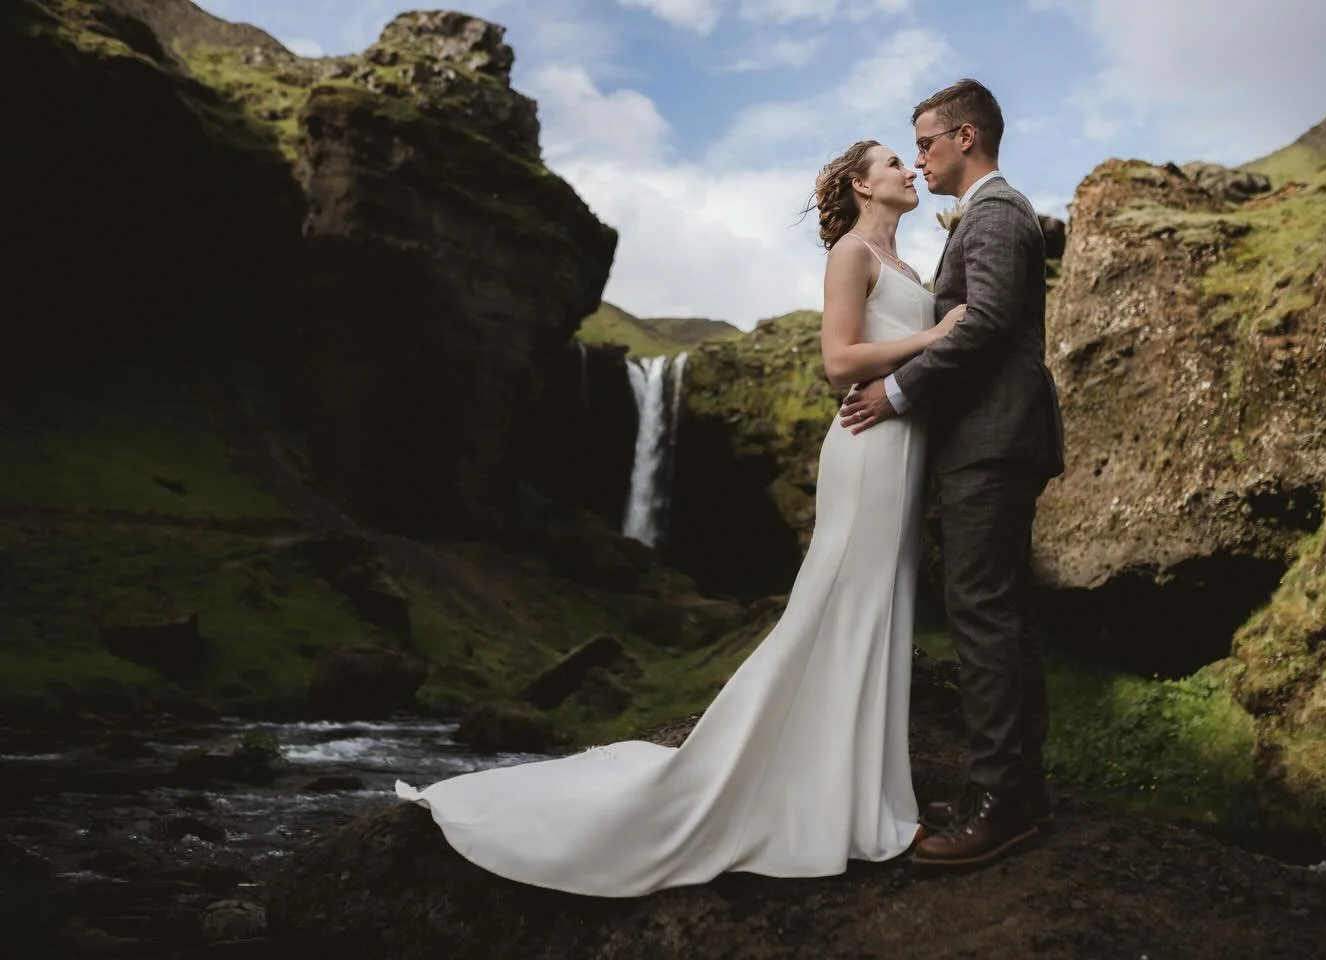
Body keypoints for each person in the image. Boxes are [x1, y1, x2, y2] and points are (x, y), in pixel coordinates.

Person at [394, 138, 955, 897]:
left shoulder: (909, 268)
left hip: (903, 453)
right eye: (892, 162)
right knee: (842, 610)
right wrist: (935, 335)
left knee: (882, 612)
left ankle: (878, 799)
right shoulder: (850, 254)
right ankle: (833, 803)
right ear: (862, 184)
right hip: (867, 448)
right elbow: (838, 361)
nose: (909, 170)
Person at [839, 79, 1066, 869]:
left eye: (926, 143)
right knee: (1000, 612)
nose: (920, 160)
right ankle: (1016, 790)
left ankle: (997, 802)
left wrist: (897, 393)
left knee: (982, 613)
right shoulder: (986, 215)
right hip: (988, 441)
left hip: (991, 441)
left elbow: (989, 323)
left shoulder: (996, 212)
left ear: (965, 137)